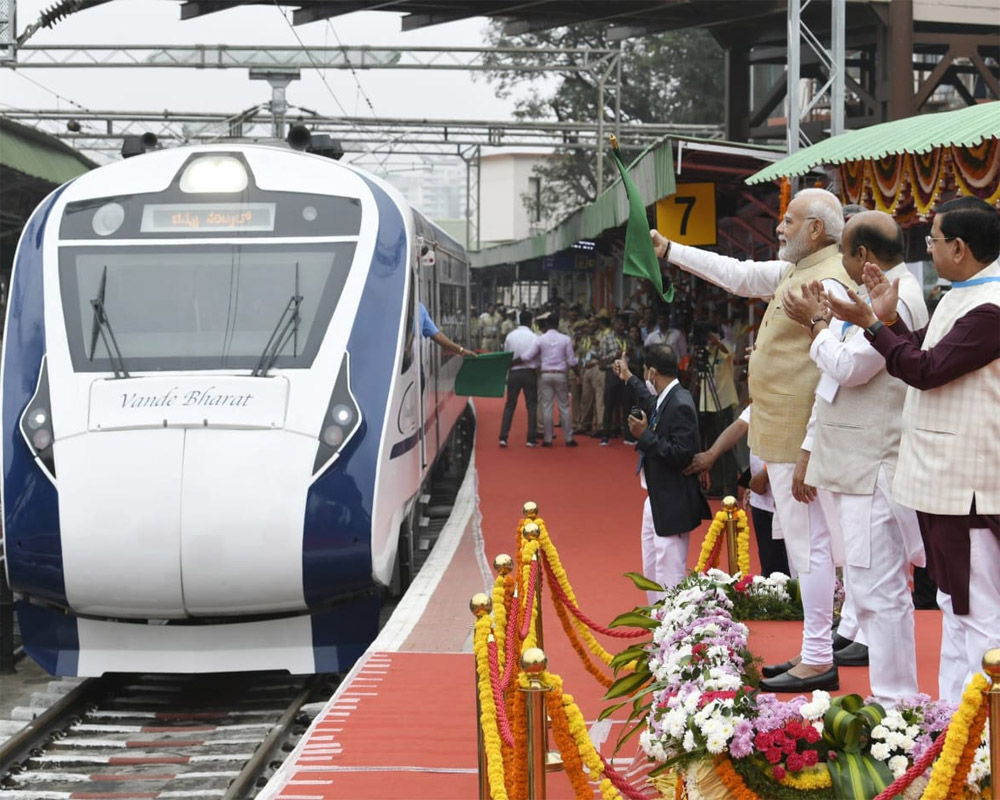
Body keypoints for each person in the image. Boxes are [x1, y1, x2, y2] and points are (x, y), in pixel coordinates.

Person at [653, 187, 854, 693]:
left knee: (811, 549)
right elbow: (739, 275)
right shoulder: (799, 270)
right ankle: (815, 652)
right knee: (810, 546)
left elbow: (834, 372)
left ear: (815, 228)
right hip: (781, 428)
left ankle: (817, 656)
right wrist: (672, 250)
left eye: (788, 220)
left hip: (797, 434)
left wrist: (811, 444)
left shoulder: (829, 279)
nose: (779, 228)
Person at [825, 196, 1000, 703]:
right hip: (947, 481)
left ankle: (984, 744)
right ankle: (954, 726)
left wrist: (872, 326)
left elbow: (924, 371)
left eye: (934, 240)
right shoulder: (963, 293)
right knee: (955, 608)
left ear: (960, 248)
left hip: (970, 486)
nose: (929, 248)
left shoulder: (990, 307)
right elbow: (923, 351)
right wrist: (887, 324)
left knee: (981, 615)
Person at [781, 210, 928, 704]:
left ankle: (896, 704)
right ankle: (895, 700)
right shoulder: (875, 294)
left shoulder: (899, 298)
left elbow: (849, 369)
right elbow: (832, 383)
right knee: (871, 592)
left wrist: (818, 325)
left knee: (879, 593)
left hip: (876, 465)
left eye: (842, 251)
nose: (839, 262)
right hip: (857, 462)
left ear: (861, 254)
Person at [611, 344, 710, 603]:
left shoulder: (680, 403)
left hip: (673, 501)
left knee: (670, 571)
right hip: (656, 496)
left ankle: (673, 632)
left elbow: (682, 454)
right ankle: (659, 627)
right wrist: (630, 378)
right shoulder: (668, 397)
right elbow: (650, 401)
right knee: (652, 569)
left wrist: (645, 436)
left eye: (645, 372)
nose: (645, 377)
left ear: (653, 372)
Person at [684, 404, 791, 578]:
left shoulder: (791, 395)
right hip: (761, 500)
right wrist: (711, 454)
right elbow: (739, 426)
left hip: (786, 499)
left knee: (790, 571)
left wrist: (766, 475)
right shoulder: (762, 395)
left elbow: (795, 443)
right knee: (771, 571)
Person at [520, 314, 578, 447]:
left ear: (546, 324)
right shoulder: (566, 339)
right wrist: (578, 373)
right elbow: (571, 360)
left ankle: (548, 439)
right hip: (560, 374)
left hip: (545, 374)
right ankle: (569, 439)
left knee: (547, 407)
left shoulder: (541, 339)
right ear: (558, 324)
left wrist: (514, 362)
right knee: (564, 406)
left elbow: (529, 355)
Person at [498, 310, 540, 448]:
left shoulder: (510, 336)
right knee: (532, 406)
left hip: (514, 374)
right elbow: (537, 357)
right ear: (531, 321)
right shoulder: (534, 337)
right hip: (529, 373)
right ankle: (531, 439)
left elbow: (506, 355)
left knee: (510, 405)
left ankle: (503, 437)